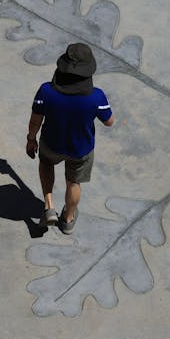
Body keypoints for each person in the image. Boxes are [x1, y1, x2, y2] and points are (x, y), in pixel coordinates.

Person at [26, 43, 114, 234]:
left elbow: (35, 121)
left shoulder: (46, 91)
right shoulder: (96, 97)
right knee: (73, 182)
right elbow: (109, 121)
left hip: (51, 143)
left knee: (46, 164)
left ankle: (49, 205)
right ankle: (67, 219)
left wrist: (31, 139)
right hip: (80, 149)